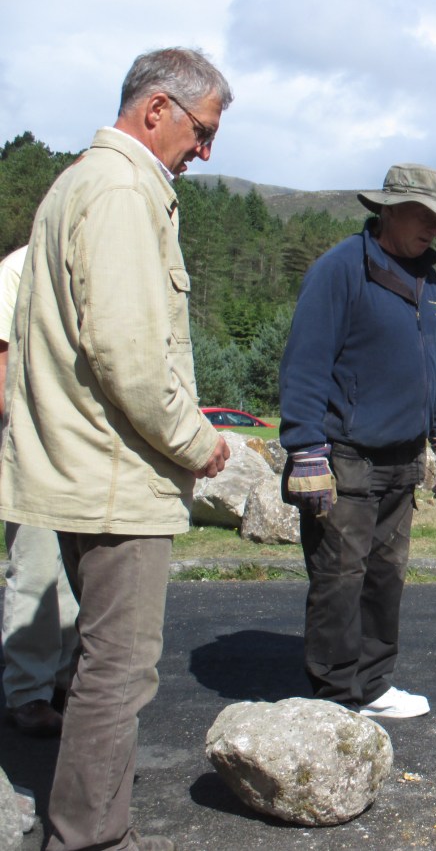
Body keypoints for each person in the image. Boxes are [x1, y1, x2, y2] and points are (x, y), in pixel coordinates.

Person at [0, 47, 233, 851]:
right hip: (113, 474)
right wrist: (196, 441)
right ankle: (90, 838)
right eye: (202, 131)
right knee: (118, 671)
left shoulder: (79, 184)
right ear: (157, 109)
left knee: (98, 664)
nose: (205, 152)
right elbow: (131, 356)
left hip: (83, 465)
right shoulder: (123, 190)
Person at [279, 163, 436, 719]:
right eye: (424, 216)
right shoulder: (340, 270)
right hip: (344, 455)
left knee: (387, 575)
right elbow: (305, 364)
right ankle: (336, 700)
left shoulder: (429, 283)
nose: (435, 229)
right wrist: (305, 450)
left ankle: (375, 684)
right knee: (341, 576)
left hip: (402, 458)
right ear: (387, 210)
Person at [0, 246, 79, 738]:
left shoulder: (97, 256)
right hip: (30, 434)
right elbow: (3, 357)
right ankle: (27, 691)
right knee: (34, 564)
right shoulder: (16, 269)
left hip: (81, 440)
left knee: (75, 570)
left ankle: (67, 679)